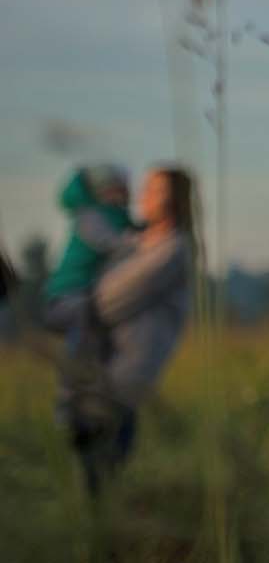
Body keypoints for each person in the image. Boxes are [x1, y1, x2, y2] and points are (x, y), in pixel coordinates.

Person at [56, 165, 195, 494]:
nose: (142, 195)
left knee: (101, 477)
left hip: (121, 379)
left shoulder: (172, 250)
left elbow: (106, 300)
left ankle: (102, 538)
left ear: (175, 199)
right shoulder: (139, 242)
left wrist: (74, 294)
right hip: (100, 375)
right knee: (93, 478)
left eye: (154, 189)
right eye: (145, 187)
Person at [42, 164, 137, 341]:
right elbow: (110, 243)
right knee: (85, 319)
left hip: (87, 292)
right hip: (67, 294)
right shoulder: (90, 216)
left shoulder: (117, 216)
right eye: (118, 188)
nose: (126, 193)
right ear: (103, 190)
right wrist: (144, 242)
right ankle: (77, 365)